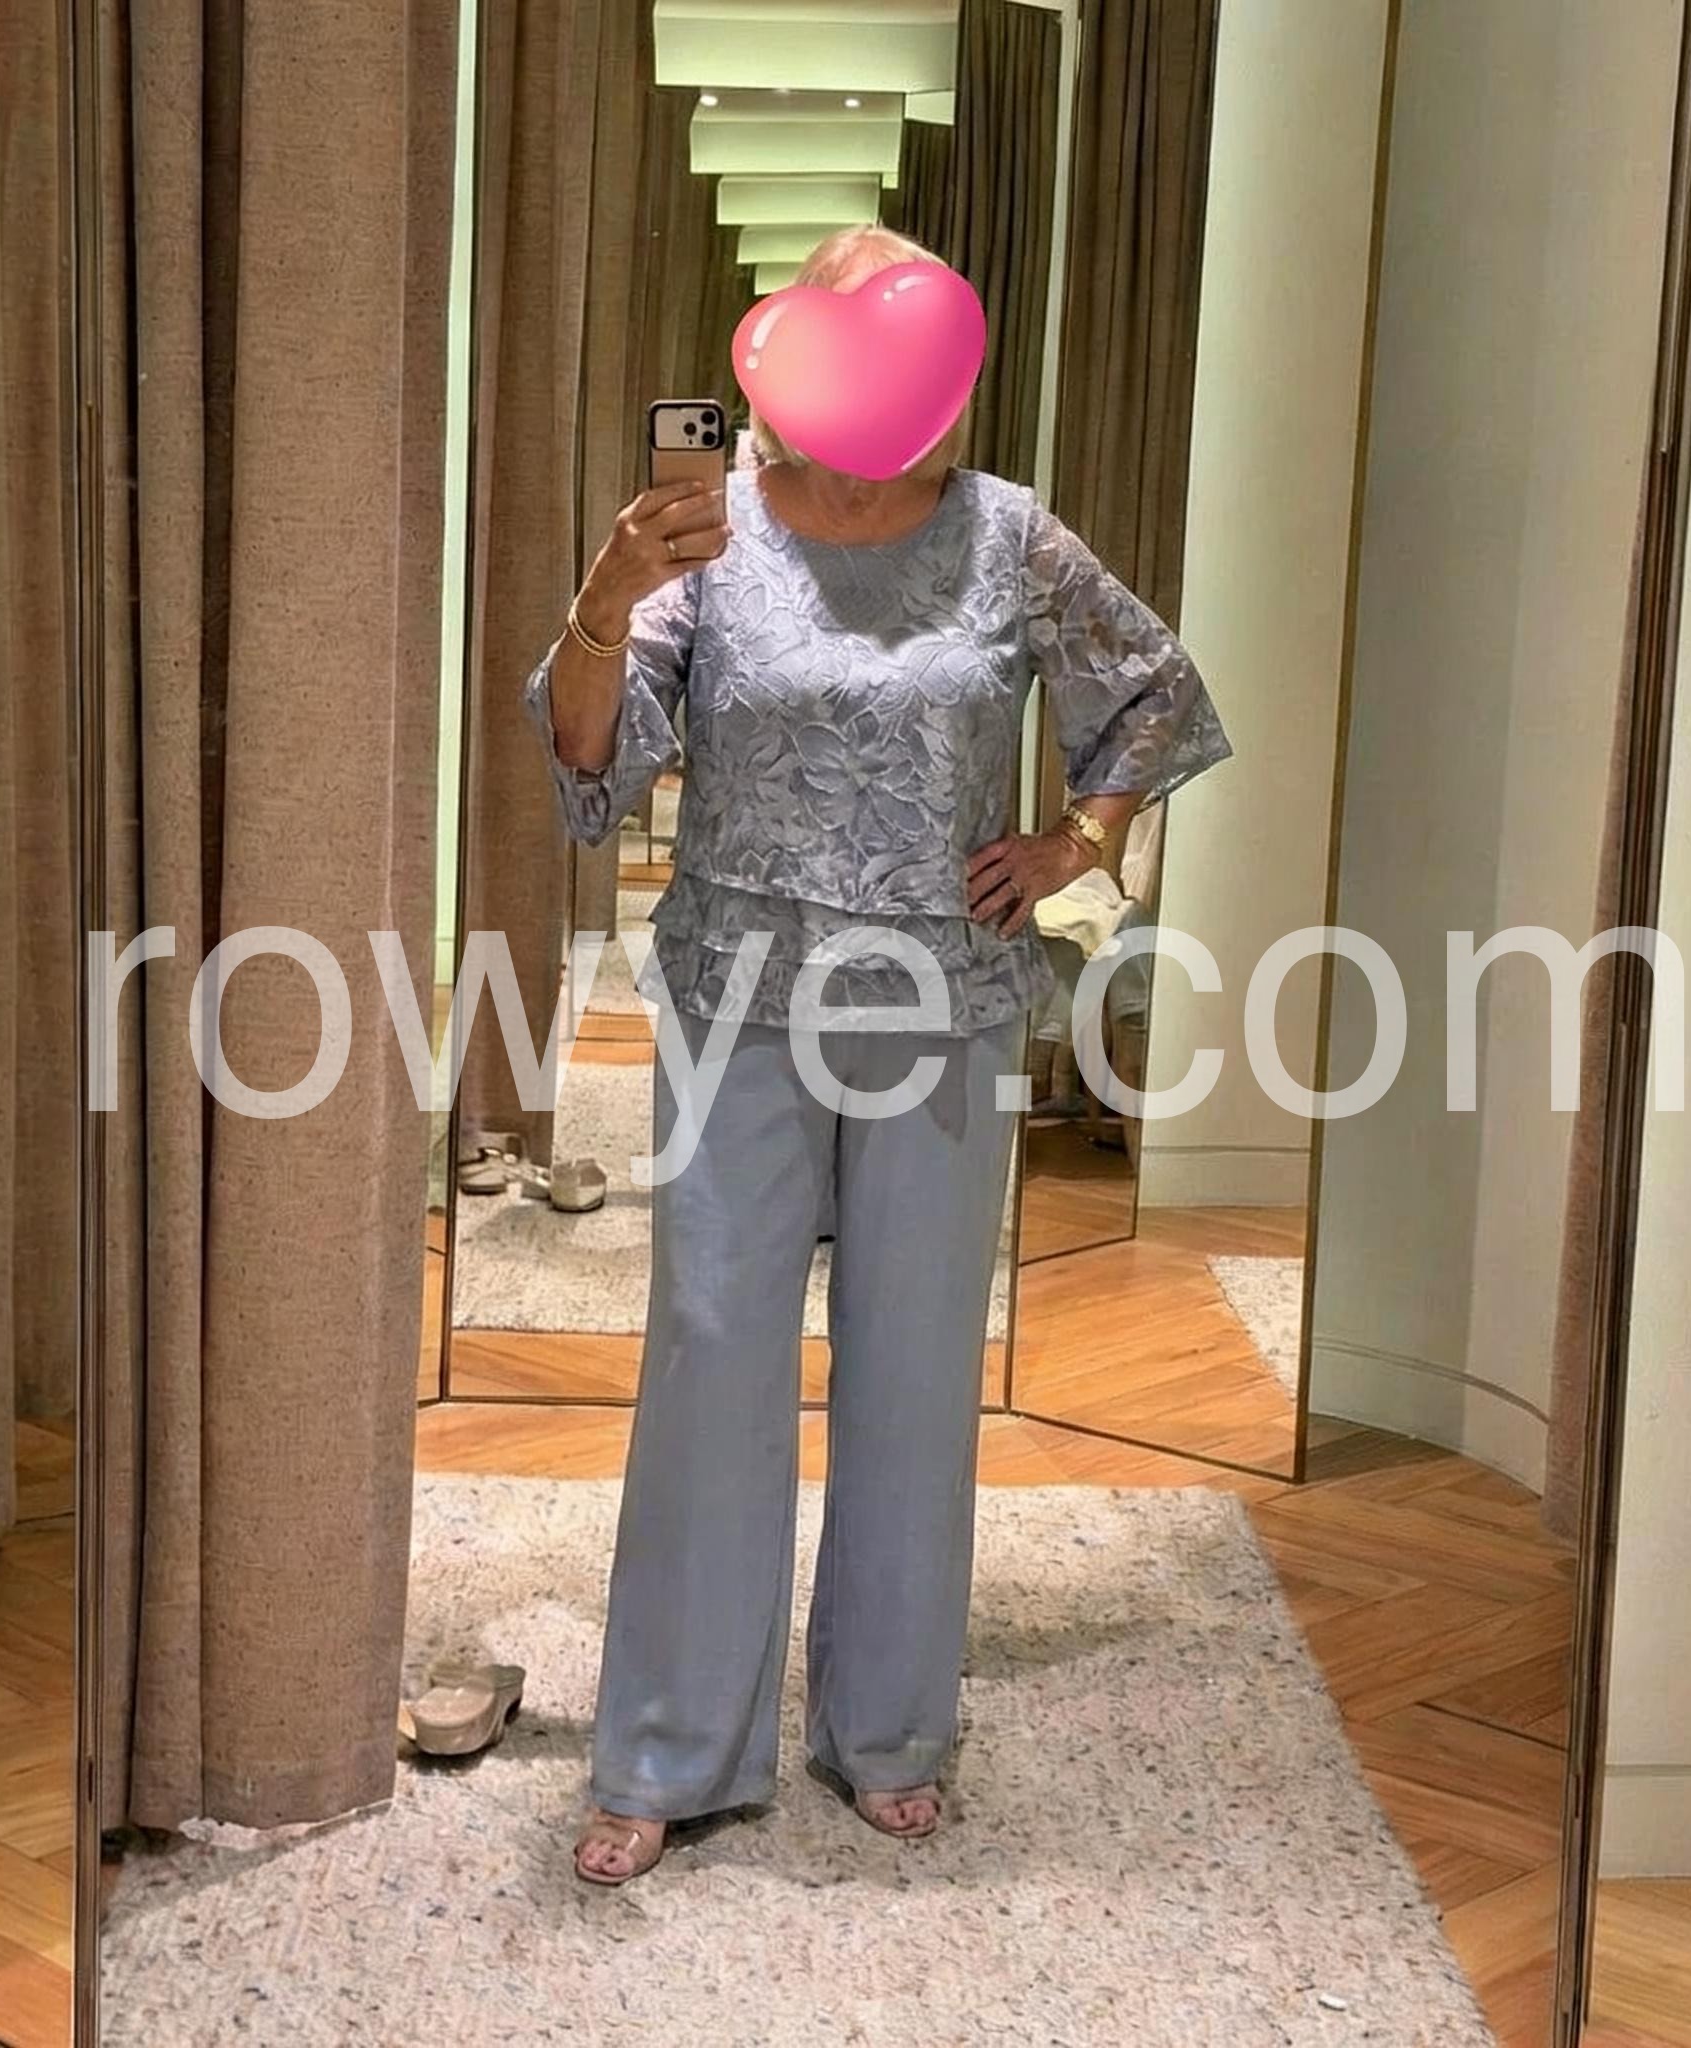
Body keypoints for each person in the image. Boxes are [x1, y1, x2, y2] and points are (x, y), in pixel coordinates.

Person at [526, 225, 1231, 1885]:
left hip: (943, 1001)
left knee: (913, 1364)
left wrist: (1074, 840)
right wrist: (602, 603)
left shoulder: (1009, 534)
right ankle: (669, 1745)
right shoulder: (707, 534)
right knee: (713, 1351)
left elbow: (1154, 688)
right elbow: (591, 767)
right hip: (739, 993)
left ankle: (891, 1729)